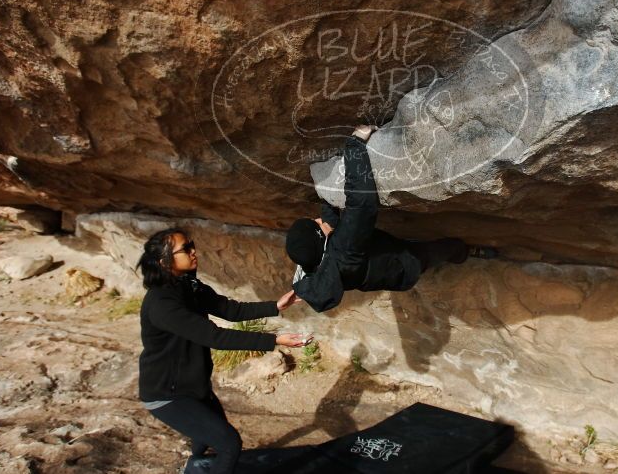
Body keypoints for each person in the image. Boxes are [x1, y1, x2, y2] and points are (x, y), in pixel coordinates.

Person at [136, 228, 310, 474]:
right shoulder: (162, 305)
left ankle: (194, 468)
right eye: (186, 249)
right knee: (229, 444)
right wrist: (274, 340)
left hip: (194, 386)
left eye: (192, 244)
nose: (194, 251)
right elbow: (214, 336)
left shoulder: (188, 285)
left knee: (206, 437)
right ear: (165, 262)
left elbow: (229, 310)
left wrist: (275, 306)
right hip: (168, 395)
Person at [286, 125, 497, 313]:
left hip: (380, 268)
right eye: (316, 224)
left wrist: (326, 201)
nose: (317, 219)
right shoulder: (344, 249)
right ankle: (464, 252)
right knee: (440, 250)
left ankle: (448, 251)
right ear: (320, 240)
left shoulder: (318, 269)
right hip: (406, 265)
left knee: (405, 247)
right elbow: (361, 203)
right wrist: (354, 145)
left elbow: (333, 230)